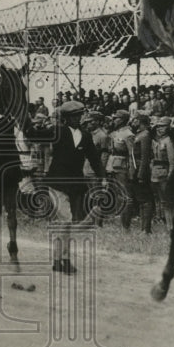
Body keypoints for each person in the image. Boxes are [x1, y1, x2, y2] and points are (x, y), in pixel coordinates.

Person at [27, 100, 106, 273]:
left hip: (75, 185)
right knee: (66, 221)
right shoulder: (58, 131)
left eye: (79, 115)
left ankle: (58, 260)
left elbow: (94, 158)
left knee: (65, 224)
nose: (77, 119)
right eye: (73, 116)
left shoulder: (86, 136)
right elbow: (34, 136)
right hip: (57, 182)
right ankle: (65, 260)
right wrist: (26, 121)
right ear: (66, 118)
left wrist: (103, 178)